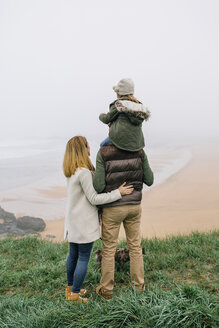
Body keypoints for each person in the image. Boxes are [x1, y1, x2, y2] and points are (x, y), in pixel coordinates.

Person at [93, 81, 154, 299]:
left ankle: (107, 291)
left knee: (109, 249)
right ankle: (139, 288)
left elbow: (99, 187)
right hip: (134, 206)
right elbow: (150, 179)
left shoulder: (103, 152)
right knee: (135, 247)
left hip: (113, 208)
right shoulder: (140, 151)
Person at [63, 136, 133, 303]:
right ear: (83, 149)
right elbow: (94, 199)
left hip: (72, 221)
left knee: (73, 255)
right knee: (83, 257)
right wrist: (118, 193)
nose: (90, 147)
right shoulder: (84, 173)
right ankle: (74, 295)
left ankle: (70, 288)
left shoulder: (71, 171)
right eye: (87, 145)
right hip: (84, 222)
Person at [99, 78, 150, 151]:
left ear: (119, 93)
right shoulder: (139, 107)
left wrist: (101, 115)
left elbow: (107, 119)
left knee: (102, 145)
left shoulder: (119, 104)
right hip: (137, 143)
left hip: (119, 140)